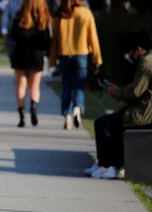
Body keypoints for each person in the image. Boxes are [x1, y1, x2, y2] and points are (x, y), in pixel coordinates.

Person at [87, 31, 152, 179]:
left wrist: (117, 92)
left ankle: (110, 166)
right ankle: (108, 165)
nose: (130, 57)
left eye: (130, 53)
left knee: (104, 124)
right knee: (113, 121)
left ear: (139, 49)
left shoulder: (148, 62)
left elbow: (135, 91)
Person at [48, 0, 102, 130]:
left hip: (64, 54)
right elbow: (93, 37)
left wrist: (52, 60)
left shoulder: (60, 14)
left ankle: (67, 115)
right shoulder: (86, 13)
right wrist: (97, 59)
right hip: (81, 53)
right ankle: (77, 109)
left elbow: (54, 40)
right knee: (79, 85)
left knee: (66, 85)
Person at [9, 0, 51, 127]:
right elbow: (47, 40)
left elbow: (13, 36)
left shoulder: (19, 17)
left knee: (20, 85)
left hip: (21, 54)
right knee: (35, 86)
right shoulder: (43, 18)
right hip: (37, 55)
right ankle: (33, 106)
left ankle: (22, 115)